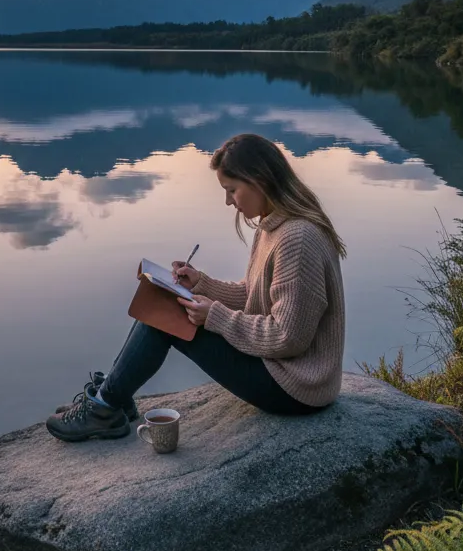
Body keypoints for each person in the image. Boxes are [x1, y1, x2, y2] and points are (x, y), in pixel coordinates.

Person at [46, 133, 346, 442]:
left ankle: (106, 406)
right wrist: (201, 283)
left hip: (295, 388)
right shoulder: (274, 226)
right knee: (166, 298)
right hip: (282, 372)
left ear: (259, 180)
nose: (229, 201)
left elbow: (288, 337)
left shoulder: (297, 239)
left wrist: (214, 316)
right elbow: (254, 297)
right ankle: (113, 398)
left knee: (165, 316)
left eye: (232, 190)